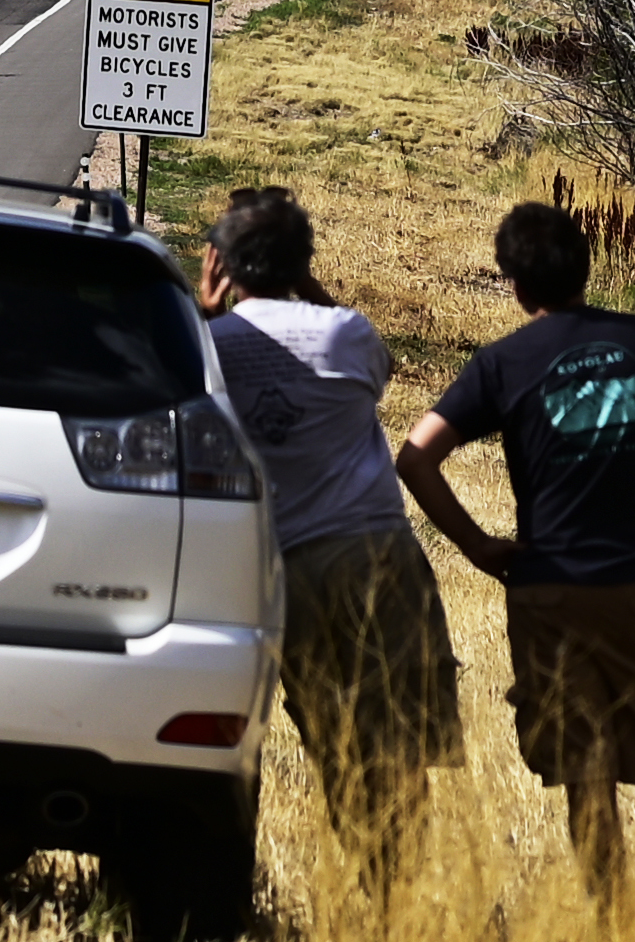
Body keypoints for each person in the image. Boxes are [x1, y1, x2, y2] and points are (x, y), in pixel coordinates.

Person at [396, 197, 635, 898]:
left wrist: (478, 546)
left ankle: (609, 916)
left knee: (583, 774)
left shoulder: (501, 363)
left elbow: (414, 456)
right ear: (587, 267)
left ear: (513, 282)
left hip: (547, 590)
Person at [199, 184, 456, 889]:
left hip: (276, 567)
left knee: (328, 733)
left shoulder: (208, 346)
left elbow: (179, 382)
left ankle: (354, 865)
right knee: (396, 739)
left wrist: (205, 301)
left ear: (223, 263)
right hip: (371, 549)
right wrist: (301, 277)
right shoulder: (347, 333)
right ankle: (391, 887)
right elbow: (374, 364)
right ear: (302, 262)